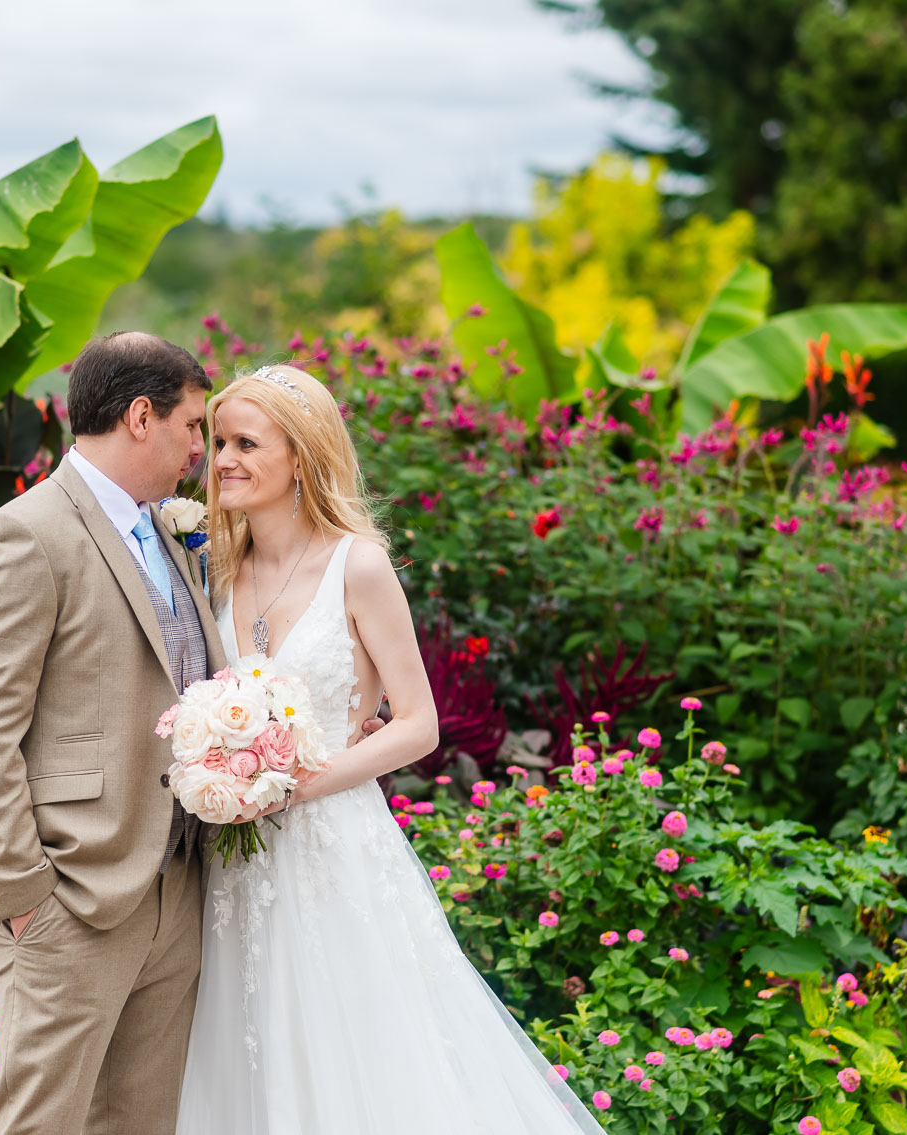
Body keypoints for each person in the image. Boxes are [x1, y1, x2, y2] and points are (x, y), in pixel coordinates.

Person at [175, 364, 606, 1135]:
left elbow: (417, 722)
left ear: (301, 457)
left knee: (364, 1059)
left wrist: (291, 783)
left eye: (245, 442)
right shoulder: (218, 569)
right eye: (217, 442)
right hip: (237, 864)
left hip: (333, 850)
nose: (223, 459)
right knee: (248, 1046)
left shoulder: (358, 565)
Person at [0, 331, 222, 1135]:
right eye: (192, 425)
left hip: (174, 887)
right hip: (68, 893)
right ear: (142, 416)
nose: (198, 448)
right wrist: (25, 897)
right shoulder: (25, 534)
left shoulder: (168, 533)